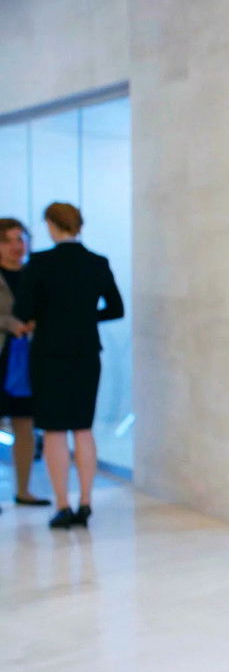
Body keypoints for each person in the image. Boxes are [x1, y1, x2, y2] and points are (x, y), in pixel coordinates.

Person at [14, 203, 124, 530]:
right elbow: (116, 308)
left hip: (49, 353)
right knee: (83, 428)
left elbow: (23, 310)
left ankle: (62, 504)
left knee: (54, 430)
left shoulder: (39, 263)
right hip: (86, 352)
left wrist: (47, 318)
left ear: (51, 224)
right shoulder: (97, 262)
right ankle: (86, 501)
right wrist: (85, 318)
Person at [0, 218, 46, 511]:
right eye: (7, 240)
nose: (16, 246)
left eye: (20, 238)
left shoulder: (35, 274)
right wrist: (9, 323)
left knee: (25, 424)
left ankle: (24, 490)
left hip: (28, 358)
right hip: (3, 354)